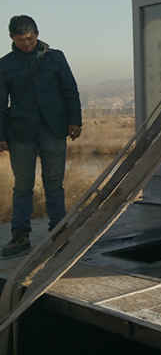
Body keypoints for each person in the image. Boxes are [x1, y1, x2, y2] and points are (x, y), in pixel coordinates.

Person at [0, 15, 82, 258]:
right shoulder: (5, 64)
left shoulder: (55, 57)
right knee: (22, 186)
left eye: (30, 38)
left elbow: (70, 89)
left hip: (53, 129)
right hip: (20, 133)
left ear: (37, 34)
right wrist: (1, 135)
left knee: (54, 183)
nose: (27, 43)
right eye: (21, 39)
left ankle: (59, 234)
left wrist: (75, 120)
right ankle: (20, 237)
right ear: (12, 38)